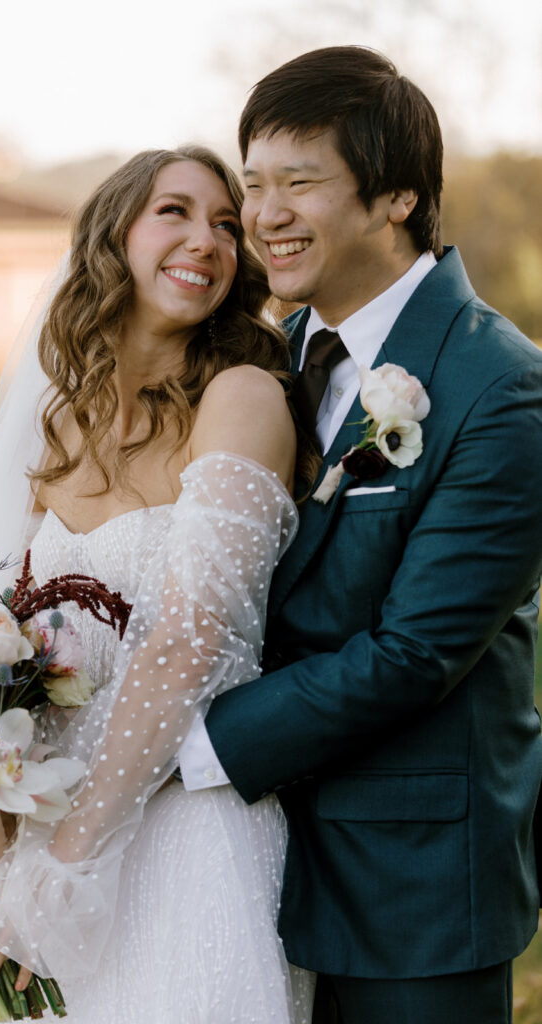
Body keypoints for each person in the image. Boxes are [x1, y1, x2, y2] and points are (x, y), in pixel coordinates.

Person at [175, 46, 542, 1024]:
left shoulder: (498, 388)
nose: (263, 215)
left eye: (299, 182)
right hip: (253, 864)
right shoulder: (270, 360)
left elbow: (415, 650)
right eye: (251, 185)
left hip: (410, 887)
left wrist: (192, 746)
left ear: (397, 198)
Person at [0, 144, 316, 1023]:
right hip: (30, 854)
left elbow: (189, 645)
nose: (207, 240)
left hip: (177, 849)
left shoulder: (242, 397)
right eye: (173, 211)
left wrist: (63, 870)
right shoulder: (58, 421)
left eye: (224, 224)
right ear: (113, 236)